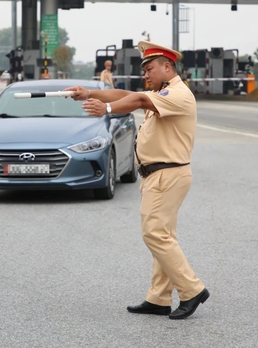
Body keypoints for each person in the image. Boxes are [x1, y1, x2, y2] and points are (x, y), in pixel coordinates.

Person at [64, 40, 208, 320]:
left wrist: (105, 110)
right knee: (163, 236)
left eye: (150, 69)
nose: (146, 75)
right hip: (157, 174)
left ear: (168, 67)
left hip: (169, 174)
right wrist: (89, 93)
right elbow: (128, 93)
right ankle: (159, 298)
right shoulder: (164, 91)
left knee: (154, 234)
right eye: (144, 70)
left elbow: (138, 100)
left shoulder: (179, 94)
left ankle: (192, 290)